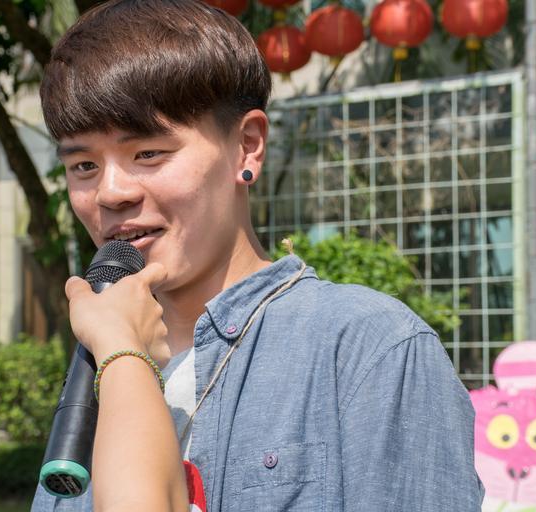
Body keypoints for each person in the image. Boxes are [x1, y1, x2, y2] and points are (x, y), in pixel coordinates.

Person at [31, 1, 484, 510]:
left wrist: (120, 352)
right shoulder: (92, 372)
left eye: (148, 153)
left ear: (246, 146)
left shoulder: (367, 347)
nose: (111, 193)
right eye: (84, 166)